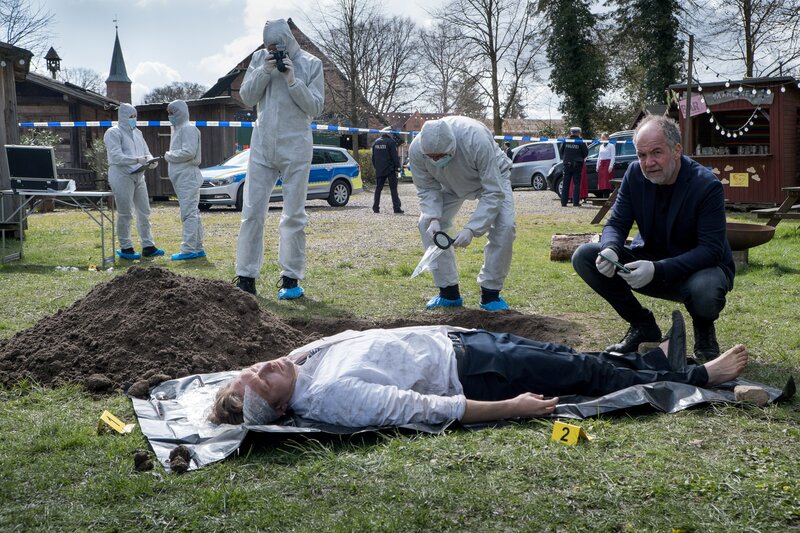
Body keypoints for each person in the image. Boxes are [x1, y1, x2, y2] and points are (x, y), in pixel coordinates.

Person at [208, 313, 748, 428]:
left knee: (576, 361)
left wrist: (252, 378)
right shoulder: (328, 399)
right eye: (265, 378)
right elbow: (420, 408)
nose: (269, 364)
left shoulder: (303, 366)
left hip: (462, 343)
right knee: (581, 373)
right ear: (280, 407)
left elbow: (340, 339)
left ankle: (659, 363)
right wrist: (509, 409)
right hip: (474, 374)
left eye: (255, 366)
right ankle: (700, 379)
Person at [572, 115, 735, 360]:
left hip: (697, 269)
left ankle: (704, 329)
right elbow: (616, 223)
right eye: (641, 155)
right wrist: (611, 248)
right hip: (650, 260)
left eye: (656, 153)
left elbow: (710, 250)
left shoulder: (706, 185)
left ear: (677, 149)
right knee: (585, 256)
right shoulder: (634, 175)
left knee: (705, 289)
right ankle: (642, 325)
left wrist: (658, 269)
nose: (648, 163)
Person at [233, 18, 324, 298]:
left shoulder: (311, 64)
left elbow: (316, 107)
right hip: (262, 146)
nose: (272, 49)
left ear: (288, 40)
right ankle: (246, 276)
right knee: (251, 212)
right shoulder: (260, 59)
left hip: (295, 146)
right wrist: (263, 72)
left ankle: (290, 279)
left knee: (294, 214)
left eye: (277, 45)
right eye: (268, 45)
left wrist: (292, 80)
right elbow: (247, 97)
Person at [409, 116, 515, 311]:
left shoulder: (476, 139)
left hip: (493, 178)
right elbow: (426, 188)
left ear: (452, 145)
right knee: (425, 223)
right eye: (431, 157)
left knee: (505, 227)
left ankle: (491, 294)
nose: (436, 160)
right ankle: (448, 292)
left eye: (440, 156)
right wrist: (433, 218)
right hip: (448, 184)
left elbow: (493, 191)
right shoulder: (417, 149)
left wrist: (471, 229)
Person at [104, 103, 164, 260]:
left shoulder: (138, 132)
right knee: (125, 212)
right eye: (131, 117)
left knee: (144, 211)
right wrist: (136, 159)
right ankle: (126, 247)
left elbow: (146, 152)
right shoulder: (113, 132)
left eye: (135, 116)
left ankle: (148, 246)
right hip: (121, 175)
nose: (133, 119)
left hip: (139, 175)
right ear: (123, 117)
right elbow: (116, 156)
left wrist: (151, 160)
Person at [164, 100, 205, 261]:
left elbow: (188, 152)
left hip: (188, 177)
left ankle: (188, 249)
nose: (169, 116)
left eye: (172, 113)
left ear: (180, 112)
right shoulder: (178, 129)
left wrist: (169, 156)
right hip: (183, 177)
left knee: (189, 214)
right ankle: (198, 247)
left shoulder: (188, 129)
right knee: (193, 213)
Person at [371, 127, 403, 214]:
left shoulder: (376, 142)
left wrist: (377, 167)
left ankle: (375, 208)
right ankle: (396, 208)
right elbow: (394, 156)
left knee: (378, 189)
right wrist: (398, 167)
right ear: (389, 134)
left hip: (380, 169)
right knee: (393, 189)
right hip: (390, 169)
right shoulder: (391, 142)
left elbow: (373, 158)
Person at [559, 126, 589, 207]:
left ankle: (563, 202)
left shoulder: (565, 140)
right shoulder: (580, 141)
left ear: (571, 132)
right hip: (577, 165)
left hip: (567, 164)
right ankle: (575, 202)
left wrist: (566, 158)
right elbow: (585, 153)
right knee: (576, 184)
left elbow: (561, 151)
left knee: (565, 184)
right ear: (579, 132)